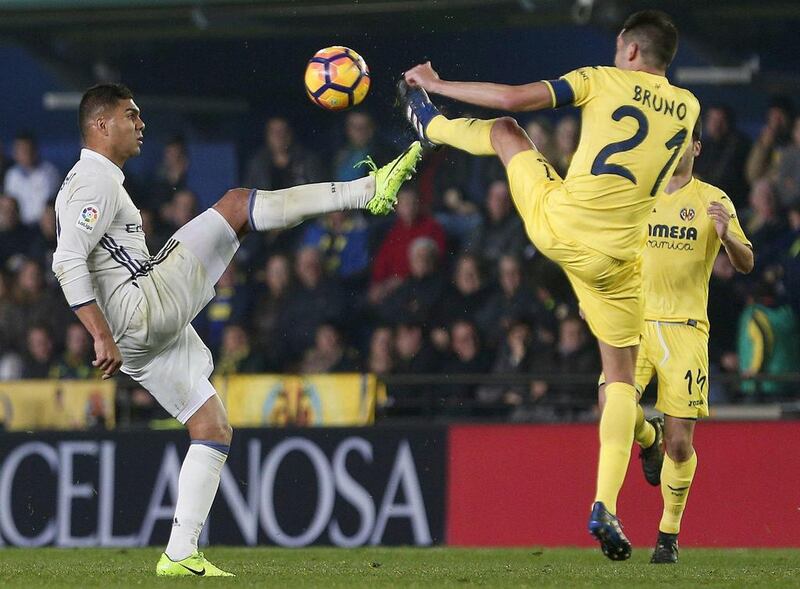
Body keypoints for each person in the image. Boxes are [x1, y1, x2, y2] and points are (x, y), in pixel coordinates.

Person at [51, 83, 421, 576]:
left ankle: (180, 553)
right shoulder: (91, 181)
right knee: (237, 203)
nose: (141, 124)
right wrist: (98, 333)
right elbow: (66, 261)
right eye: (130, 115)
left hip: (137, 340)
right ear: (100, 125)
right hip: (136, 312)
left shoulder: (102, 181)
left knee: (211, 428)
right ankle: (368, 190)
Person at [400, 9, 700, 560]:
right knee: (620, 380)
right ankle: (606, 501)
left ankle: (429, 122)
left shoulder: (597, 78)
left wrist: (436, 83)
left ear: (629, 50)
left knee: (506, 135)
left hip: (561, 227)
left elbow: (513, 101)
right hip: (620, 261)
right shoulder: (689, 108)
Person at [599, 119, 752, 563]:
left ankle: (668, 533)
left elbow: (746, 262)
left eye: (682, 140)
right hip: (634, 324)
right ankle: (648, 439)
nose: (673, 146)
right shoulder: (637, 196)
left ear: (697, 148)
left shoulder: (712, 201)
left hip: (684, 329)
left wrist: (726, 239)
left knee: (681, 445)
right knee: (611, 407)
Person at [3, 132, 61, 227]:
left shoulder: (49, 172)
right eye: (21, 150)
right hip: (19, 227)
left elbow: (51, 204)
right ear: (15, 153)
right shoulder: (11, 175)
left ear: (35, 150)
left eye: (28, 149)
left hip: (43, 227)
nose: (26, 154)